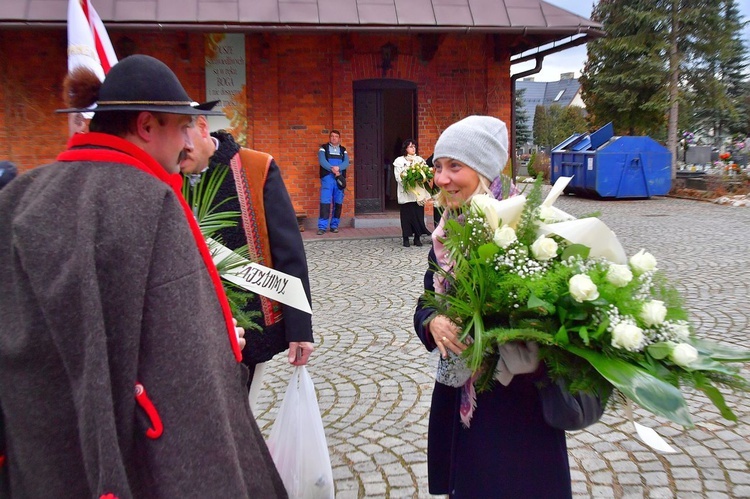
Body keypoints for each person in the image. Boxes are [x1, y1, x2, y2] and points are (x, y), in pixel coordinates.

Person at [0, 55, 286, 497]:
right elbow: (184, 367)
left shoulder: (19, 195)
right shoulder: (150, 202)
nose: (188, 142)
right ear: (147, 126)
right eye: (181, 126)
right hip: (142, 457)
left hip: (40, 451)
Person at [413, 116, 571, 498]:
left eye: (455, 166)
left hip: (517, 407)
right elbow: (426, 300)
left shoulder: (528, 226)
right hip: (462, 397)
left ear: (483, 170)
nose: (442, 178)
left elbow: (555, 315)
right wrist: (433, 322)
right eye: (438, 166)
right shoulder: (448, 231)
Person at [180, 114, 315, 387]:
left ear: (203, 127)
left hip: (249, 326)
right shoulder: (166, 172)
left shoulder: (257, 167)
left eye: (185, 137)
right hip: (186, 328)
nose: (179, 149)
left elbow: (288, 251)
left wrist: (300, 328)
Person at [393, 139, 431, 247]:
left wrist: (419, 178)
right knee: (406, 217)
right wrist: (408, 180)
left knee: (418, 215)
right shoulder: (399, 161)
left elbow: (425, 174)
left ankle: (417, 238)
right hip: (406, 193)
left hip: (417, 194)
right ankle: (406, 238)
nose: (413, 148)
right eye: (410, 146)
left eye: (414, 146)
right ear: (405, 149)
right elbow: (398, 176)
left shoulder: (420, 160)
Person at [317, 130, 349, 235]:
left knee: (338, 203)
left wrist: (338, 168)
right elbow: (322, 161)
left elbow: (346, 162)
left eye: (336, 136)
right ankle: (322, 227)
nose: (334, 138)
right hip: (328, 178)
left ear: (339, 138)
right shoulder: (323, 148)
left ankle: (334, 226)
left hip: (338, 178)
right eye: (332, 136)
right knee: (325, 202)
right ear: (329, 138)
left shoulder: (343, 150)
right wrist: (333, 169)